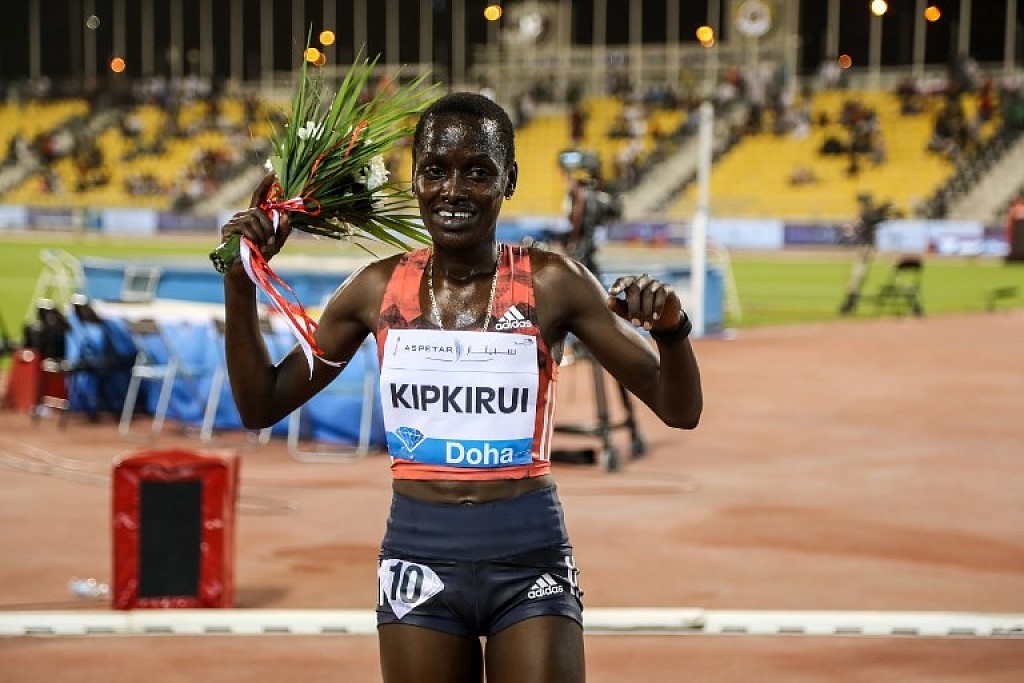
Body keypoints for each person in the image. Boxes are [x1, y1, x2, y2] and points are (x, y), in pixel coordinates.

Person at [219, 92, 703, 682]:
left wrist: (672, 329)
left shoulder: (553, 284)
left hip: (529, 559)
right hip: (418, 558)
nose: (453, 190)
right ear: (415, 179)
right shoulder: (376, 291)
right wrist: (240, 282)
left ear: (509, 181)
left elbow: (679, 408)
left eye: (478, 172)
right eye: (435, 171)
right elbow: (261, 403)